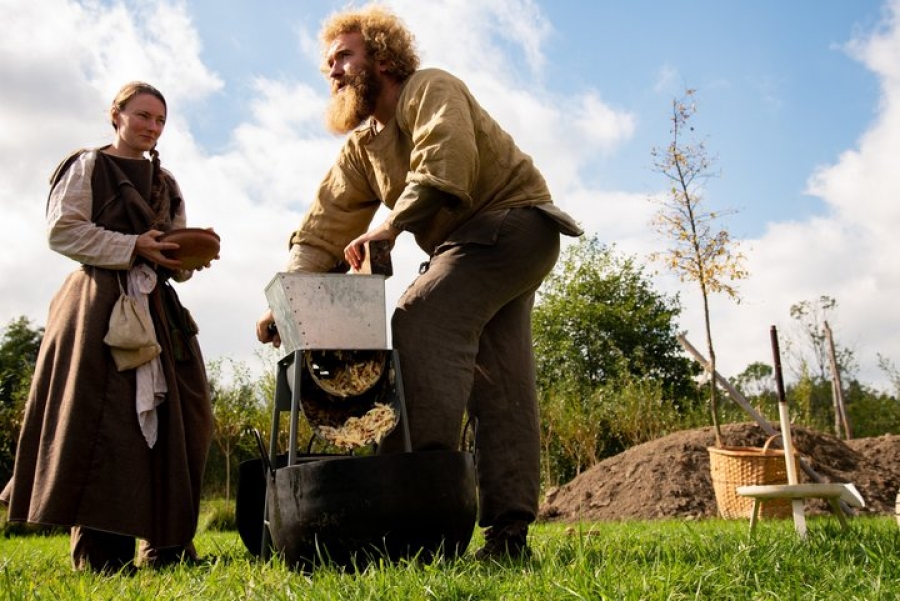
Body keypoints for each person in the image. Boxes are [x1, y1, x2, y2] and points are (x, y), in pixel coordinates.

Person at [255, 4, 582, 561]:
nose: (332, 71)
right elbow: (321, 229)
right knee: (499, 381)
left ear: (381, 56)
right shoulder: (362, 149)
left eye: (343, 56)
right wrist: (286, 299)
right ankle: (509, 534)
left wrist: (390, 227)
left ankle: (415, 510)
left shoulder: (430, 87)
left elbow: (443, 161)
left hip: (513, 224)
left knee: (420, 317)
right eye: (326, 64)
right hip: (468, 249)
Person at [0, 82, 215, 573]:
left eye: (160, 120)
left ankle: (167, 546)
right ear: (115, 115)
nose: (152, 127)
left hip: (157, 307)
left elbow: (170, 250)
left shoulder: (169, 182)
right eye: (143, 115)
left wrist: (184, 257)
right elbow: (62, 230)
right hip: (98, 305)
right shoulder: (88, 166)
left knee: (184, 420)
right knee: (105, 424)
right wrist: (131, 246)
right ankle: (101, 556)